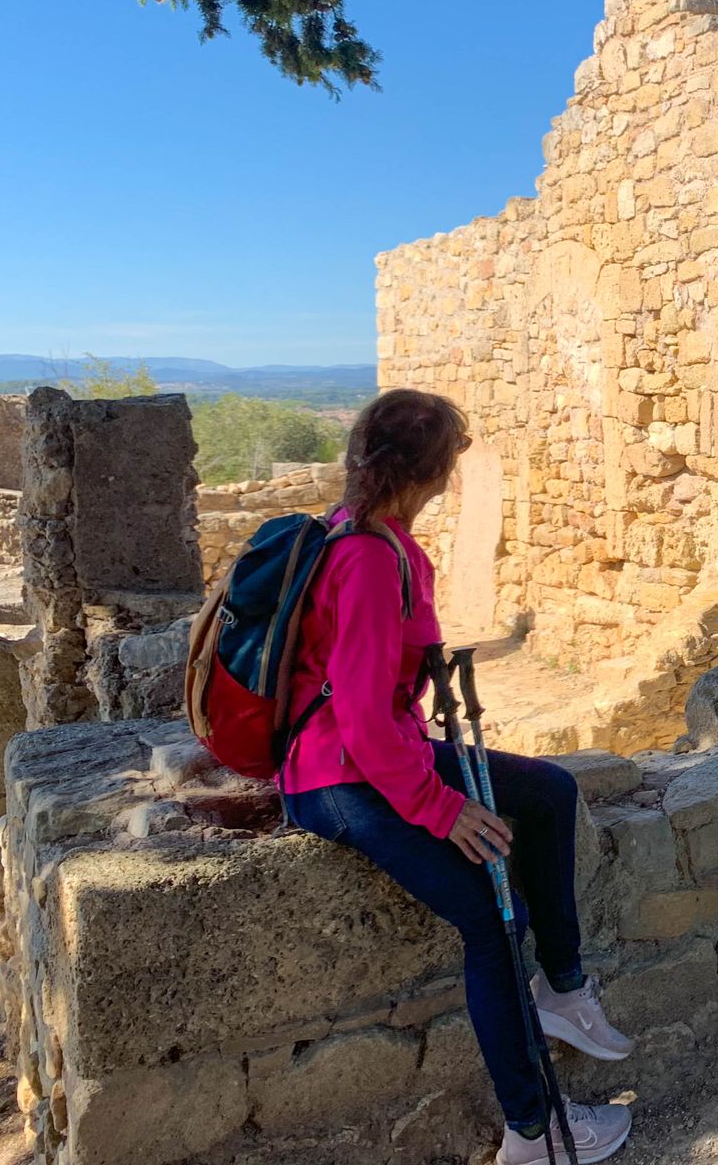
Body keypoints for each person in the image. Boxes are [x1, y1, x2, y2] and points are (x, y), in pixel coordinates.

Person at [280, 388, 634, 1164]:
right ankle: (533, 1130)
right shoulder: (370, 558)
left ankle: (564, 991)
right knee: (491, 915)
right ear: (433, 473)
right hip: (338, 777)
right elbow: (366, 722)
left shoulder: (368, 534)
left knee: (549, 791)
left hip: (374, 753)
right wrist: (441, 809)